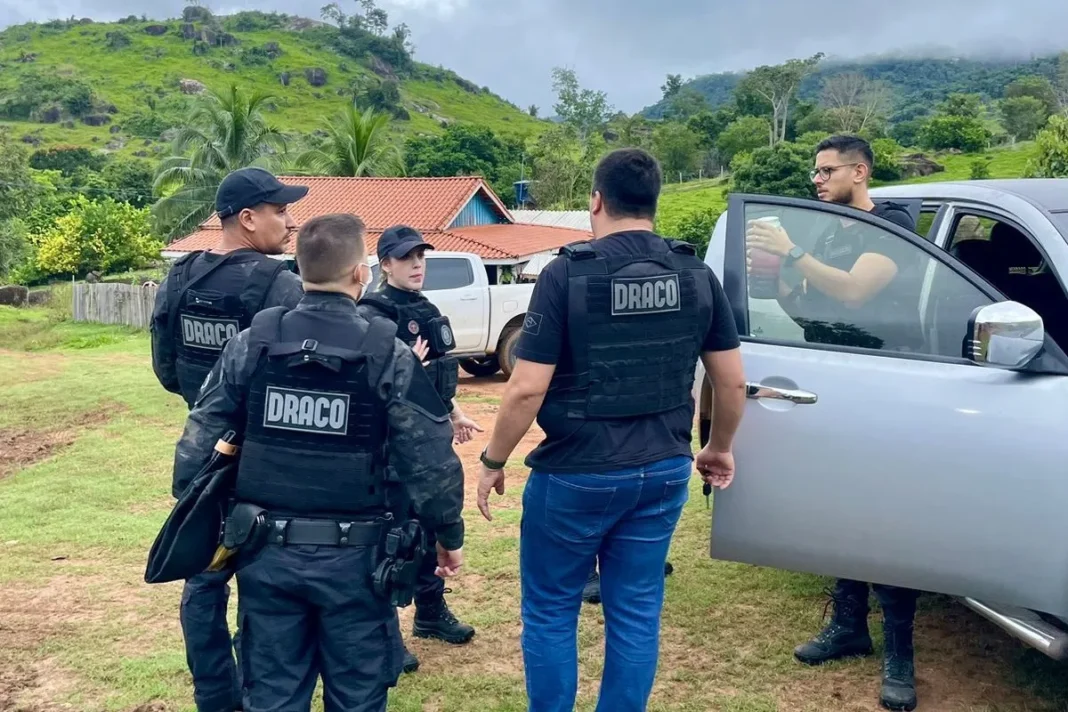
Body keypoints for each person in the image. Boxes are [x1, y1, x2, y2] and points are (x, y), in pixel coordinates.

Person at [476, 148, 748, 712]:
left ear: (596, 200)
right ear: (655, 202)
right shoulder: (696, 274)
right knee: (637, 610)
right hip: (664, 470)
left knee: (552, 609)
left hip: (578, 475)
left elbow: (526, 388)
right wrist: (718, 448)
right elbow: (732, 383)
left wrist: (493, 460)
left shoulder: (566, 273)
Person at [170, 212, 466, 711]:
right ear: (360, 273)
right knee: (356, 696)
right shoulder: (386, 352)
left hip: (266, 556)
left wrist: (197, 515)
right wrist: (448, 536)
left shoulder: (253, 343)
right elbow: (431, 460)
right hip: (356, 564)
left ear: (298, 268)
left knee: (274, 693)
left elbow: (198, 439)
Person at [745, 134, 921, 712]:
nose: (816, 180)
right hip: (837, 381)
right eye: (815, 171)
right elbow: (807, 300)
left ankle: (900, 652)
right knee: (838, 509)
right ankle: (849, 625)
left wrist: (793, 254)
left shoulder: (893, 222)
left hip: (888, 386)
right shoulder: (827, 230)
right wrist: (777, 273)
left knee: (888, 518)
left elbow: (850, 292)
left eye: (826, 170)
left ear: (860, 172)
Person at [150, 166, 309, 712]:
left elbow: (165, 367)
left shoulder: (180, 277)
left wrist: (203, 407)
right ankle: (260, 692)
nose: (289, 223)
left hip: (202, 452)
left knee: (204, 574)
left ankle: (215, 695)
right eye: (280, 211)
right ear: (248, 218)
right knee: (263, 580)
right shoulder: (278, 283)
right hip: (263, 459)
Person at [355, 224, 481, 673]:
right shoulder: (372, 314)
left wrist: (453, 413)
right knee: (393, 538)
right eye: (407, 257)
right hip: (390, 450)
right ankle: (387, 636)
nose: (417, 265)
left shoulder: (424, 308)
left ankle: (430, 612)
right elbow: (371, 388)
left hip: (427, 439)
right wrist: (409, 366)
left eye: (421, 257)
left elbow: (438, 379)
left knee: (429, 529)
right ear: (384, 263)